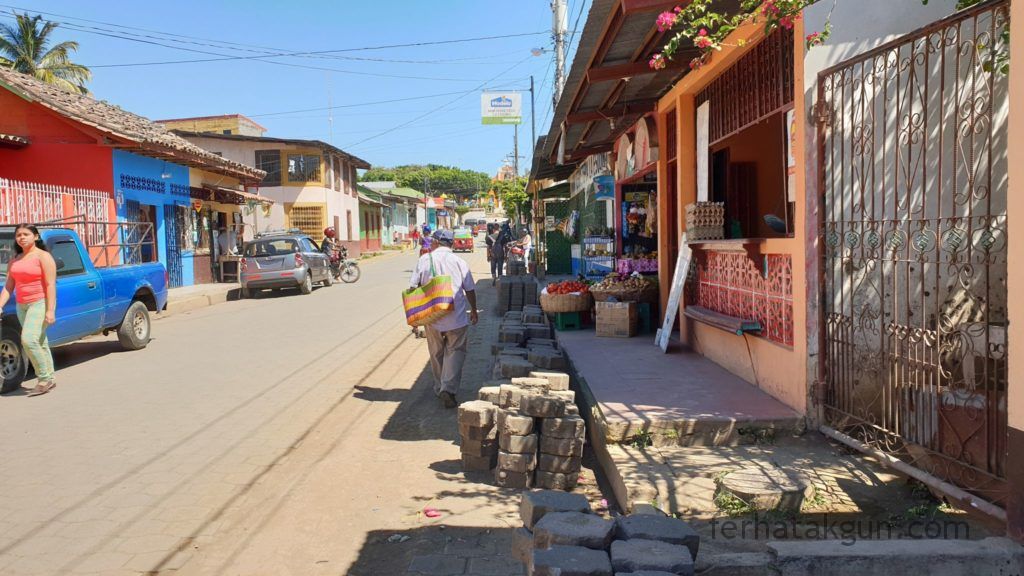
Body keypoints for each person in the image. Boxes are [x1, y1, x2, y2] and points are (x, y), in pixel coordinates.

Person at [409, 229, 478, 408]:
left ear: (436, 242)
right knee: (456, 351)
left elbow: (412, 288)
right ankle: (448, 388)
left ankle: (440, 386)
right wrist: (475, 310)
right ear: (452, 243)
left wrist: (414, 317)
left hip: (432, 316)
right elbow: (469, 288)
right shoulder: (459, 261)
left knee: (436, 353)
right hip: (456, 316)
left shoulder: (424, 260)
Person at [0, 224, 58, 397]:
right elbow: (8, 287)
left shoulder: (43, 257)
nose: (22, 237)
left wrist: (50, 310)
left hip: (39, 303)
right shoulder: (15, 260)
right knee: (40, 341)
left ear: (36, 237)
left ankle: (44, 379)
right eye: (19, 235)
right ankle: (50, 377)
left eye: (26, 234)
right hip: (22, 305)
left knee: (28, 340)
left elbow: (50, 285)